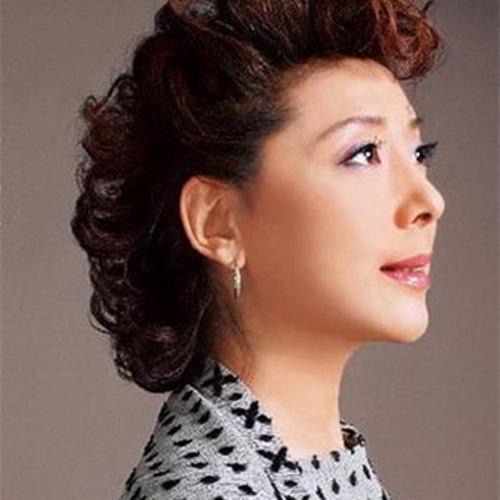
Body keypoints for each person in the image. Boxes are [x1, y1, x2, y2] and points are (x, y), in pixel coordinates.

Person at [70, 0, 446, 498]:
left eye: (418, 153)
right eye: (363, 153)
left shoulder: (320, 464)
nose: (429, 201)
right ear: (218, 222)